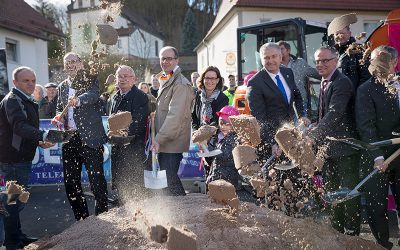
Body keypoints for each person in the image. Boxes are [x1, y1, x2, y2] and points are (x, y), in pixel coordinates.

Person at [306, 46, 360, 235]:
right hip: (329, 148)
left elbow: (335, 113)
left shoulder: (342, 82)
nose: (320, 64)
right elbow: (324, 114)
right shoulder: (323, 82)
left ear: (336, 61)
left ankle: (352, 233)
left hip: (345, 149)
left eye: (325, 60)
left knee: (348, 193)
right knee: (331, 190)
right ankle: (337, 231)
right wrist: (314, 125)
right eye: (317, 61)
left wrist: (314, 135)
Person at [0, 66, 54, 250]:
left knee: (15, 202)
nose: (31, 84)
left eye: (33, 80)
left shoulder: (23, 99)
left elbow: (22, 131)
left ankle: (17, 236)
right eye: (26, 81)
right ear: (15, 82)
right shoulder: (14, 100)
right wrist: (44, 136)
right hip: (13, 160)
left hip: (18, 158)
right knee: (12, 203)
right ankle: (12, 242)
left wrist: (38, 141)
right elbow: (19, 127)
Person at [51, 52, 108, 221]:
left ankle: (103, 215)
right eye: (67, 62)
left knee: (96, 179)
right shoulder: (61, 86)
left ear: (81, 63)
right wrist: (57, 118)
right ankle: (82, 218)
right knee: (70, 182)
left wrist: (78, 100)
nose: (70, 65)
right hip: (70, 139)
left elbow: (92, 95)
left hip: (90, 138)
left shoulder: (90, 78)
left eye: (73, 61)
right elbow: (59, 108)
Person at [355, 45, 400, 249]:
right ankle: (382, 244)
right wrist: (378, 156)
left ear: (394, 62)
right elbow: (366, 126)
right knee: (376, 206)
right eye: (372, 60)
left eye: (381, 60)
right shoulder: (366, 89)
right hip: (377, 154)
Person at [246, 42, 304, 159]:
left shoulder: (288, 73)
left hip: (291, 132)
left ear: (280, 57)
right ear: (261, 60)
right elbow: (259, 118)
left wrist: (302, 115)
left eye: (274, 56)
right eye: (266, 57)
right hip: (273, 141)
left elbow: (297, 96)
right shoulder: (255, 83)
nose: (270, 60)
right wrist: (272, 142)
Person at [151, 46, 195, 196]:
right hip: (164, 139)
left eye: (169, 58)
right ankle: (177, 211)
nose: (166, 61)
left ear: (177, 60)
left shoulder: (180, 84)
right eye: (163, 58)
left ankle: (183, 211)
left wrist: (158, 138)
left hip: (172, 140)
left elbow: (174, 117)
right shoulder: (165, 78)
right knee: (167, 180)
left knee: (169, 179)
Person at [109, 66, 149, 202]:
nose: (123, 79)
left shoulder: (141, 96)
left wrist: (124, 132)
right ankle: (123, 204)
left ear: (134, 79)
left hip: (133, 146)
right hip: (117, 146)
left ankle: (140, 212)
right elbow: (111, 120)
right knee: (120, 181)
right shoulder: (114, 97)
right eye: (120, 76)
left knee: (135, 182)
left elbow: (139, 120)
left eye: (126, 76)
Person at [328, 13, 370, 91]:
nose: (340, 36)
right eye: (337, 34)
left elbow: (366, 77)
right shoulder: (331, 53)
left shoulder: (359, 50)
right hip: (337, 96)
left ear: (349, 34)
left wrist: (357, 96)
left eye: (342, 33)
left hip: (353, 98)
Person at [278, 40, 319, 109]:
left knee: (302, 120)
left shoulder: (300, 63)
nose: (279, 51)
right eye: (277, 49)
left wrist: (328, 73)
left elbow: (315, 73)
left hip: (300, 102)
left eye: (281, 49)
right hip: (282, 103)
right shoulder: (275, 66)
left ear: (288, 50)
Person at [206, 106, 240, 189]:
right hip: (215, 176)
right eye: (221, 123)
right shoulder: (217, 137)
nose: (223, 127)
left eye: (227, 124)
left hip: (228, 179)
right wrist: (205, 144)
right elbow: (209, 157)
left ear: (234, 125)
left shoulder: (234, 139)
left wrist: (206, 151)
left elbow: (223, 154)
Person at [192, 66, 229, 130]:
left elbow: (218, 120)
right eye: (207, 78)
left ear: (217, 80)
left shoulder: (223, 98)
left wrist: (206, 132)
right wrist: (195, 131)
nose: (209, 81)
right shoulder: (197, 95)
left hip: (215, 135)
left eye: (213, 78)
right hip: (197, 135)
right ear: (203, 79)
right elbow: (194, 116)